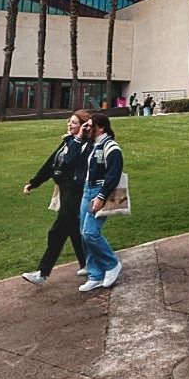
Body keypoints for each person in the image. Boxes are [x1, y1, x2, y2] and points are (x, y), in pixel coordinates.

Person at [21, 111, 91, 286]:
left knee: (58, 231)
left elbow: (69, 161)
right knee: (74, 230)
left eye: (74, 123)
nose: (69, 125)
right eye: (69, 122)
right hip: (65, 190)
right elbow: (51, 163)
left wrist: (76, 139)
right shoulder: (68, 141)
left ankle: (42, 273)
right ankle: (87, 263)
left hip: (75, 192)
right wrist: (34, 182)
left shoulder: (84, 144)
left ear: (83, 126)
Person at [77, 112, 124, 292]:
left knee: (90, 232)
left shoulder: (110, 146)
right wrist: (81, 135)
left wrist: (102, 196)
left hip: (98, 192)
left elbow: (114, 173)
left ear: (101, 127)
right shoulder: (92, 144)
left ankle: (111, 264)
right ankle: (95, 275)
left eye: (90, 125)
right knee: (83, 233)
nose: (87, 128)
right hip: (88, 191)